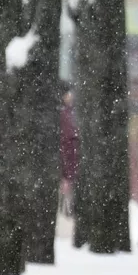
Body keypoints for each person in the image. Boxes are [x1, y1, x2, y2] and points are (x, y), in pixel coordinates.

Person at [59, 86, 79, 218]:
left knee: (70, 179)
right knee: (67, 180)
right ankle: (65, 205)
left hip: (72, 150)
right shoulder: (64, 113)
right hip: (67, 149)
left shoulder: (72, 112)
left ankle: (69, 206)